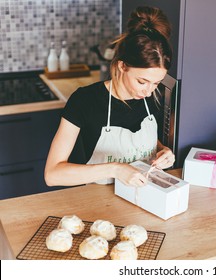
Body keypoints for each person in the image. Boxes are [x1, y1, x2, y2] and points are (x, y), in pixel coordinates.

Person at [44, 6, 175, 187]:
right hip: (100, 203)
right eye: (142, 81)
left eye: (156, 83)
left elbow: (142, 142)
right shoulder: (85, 101)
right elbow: (53, 175)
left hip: (144, 199)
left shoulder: (150, 97)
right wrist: (115, 169)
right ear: (122, 66)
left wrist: (162, 150)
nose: (149, 91)